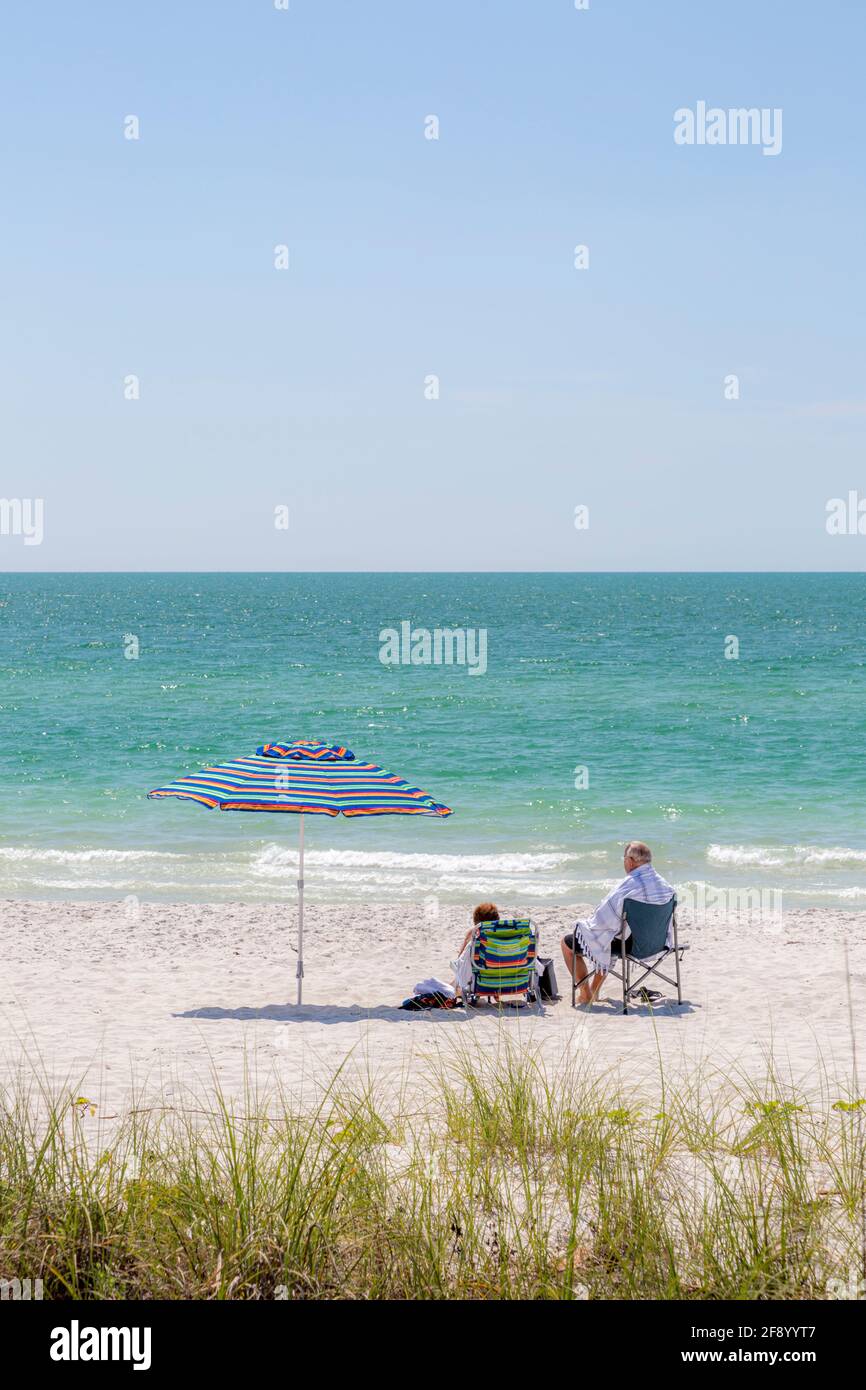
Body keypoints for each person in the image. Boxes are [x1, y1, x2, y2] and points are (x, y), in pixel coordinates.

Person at [561, 842, 674, 1005]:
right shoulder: (666, 886)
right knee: (611, 935)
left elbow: (601, 919)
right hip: (658, 944)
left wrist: (584, 924)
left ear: (629, 860)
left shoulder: (628, 884)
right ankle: (594, 992)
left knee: (573, 942)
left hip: (631, 947)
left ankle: (586, 993)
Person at [453, 902, 499, 1002]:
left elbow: (460, 960)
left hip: (480, 982)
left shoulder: (474, 937)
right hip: (504, 981)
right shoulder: (507, 938)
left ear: (477, 923)